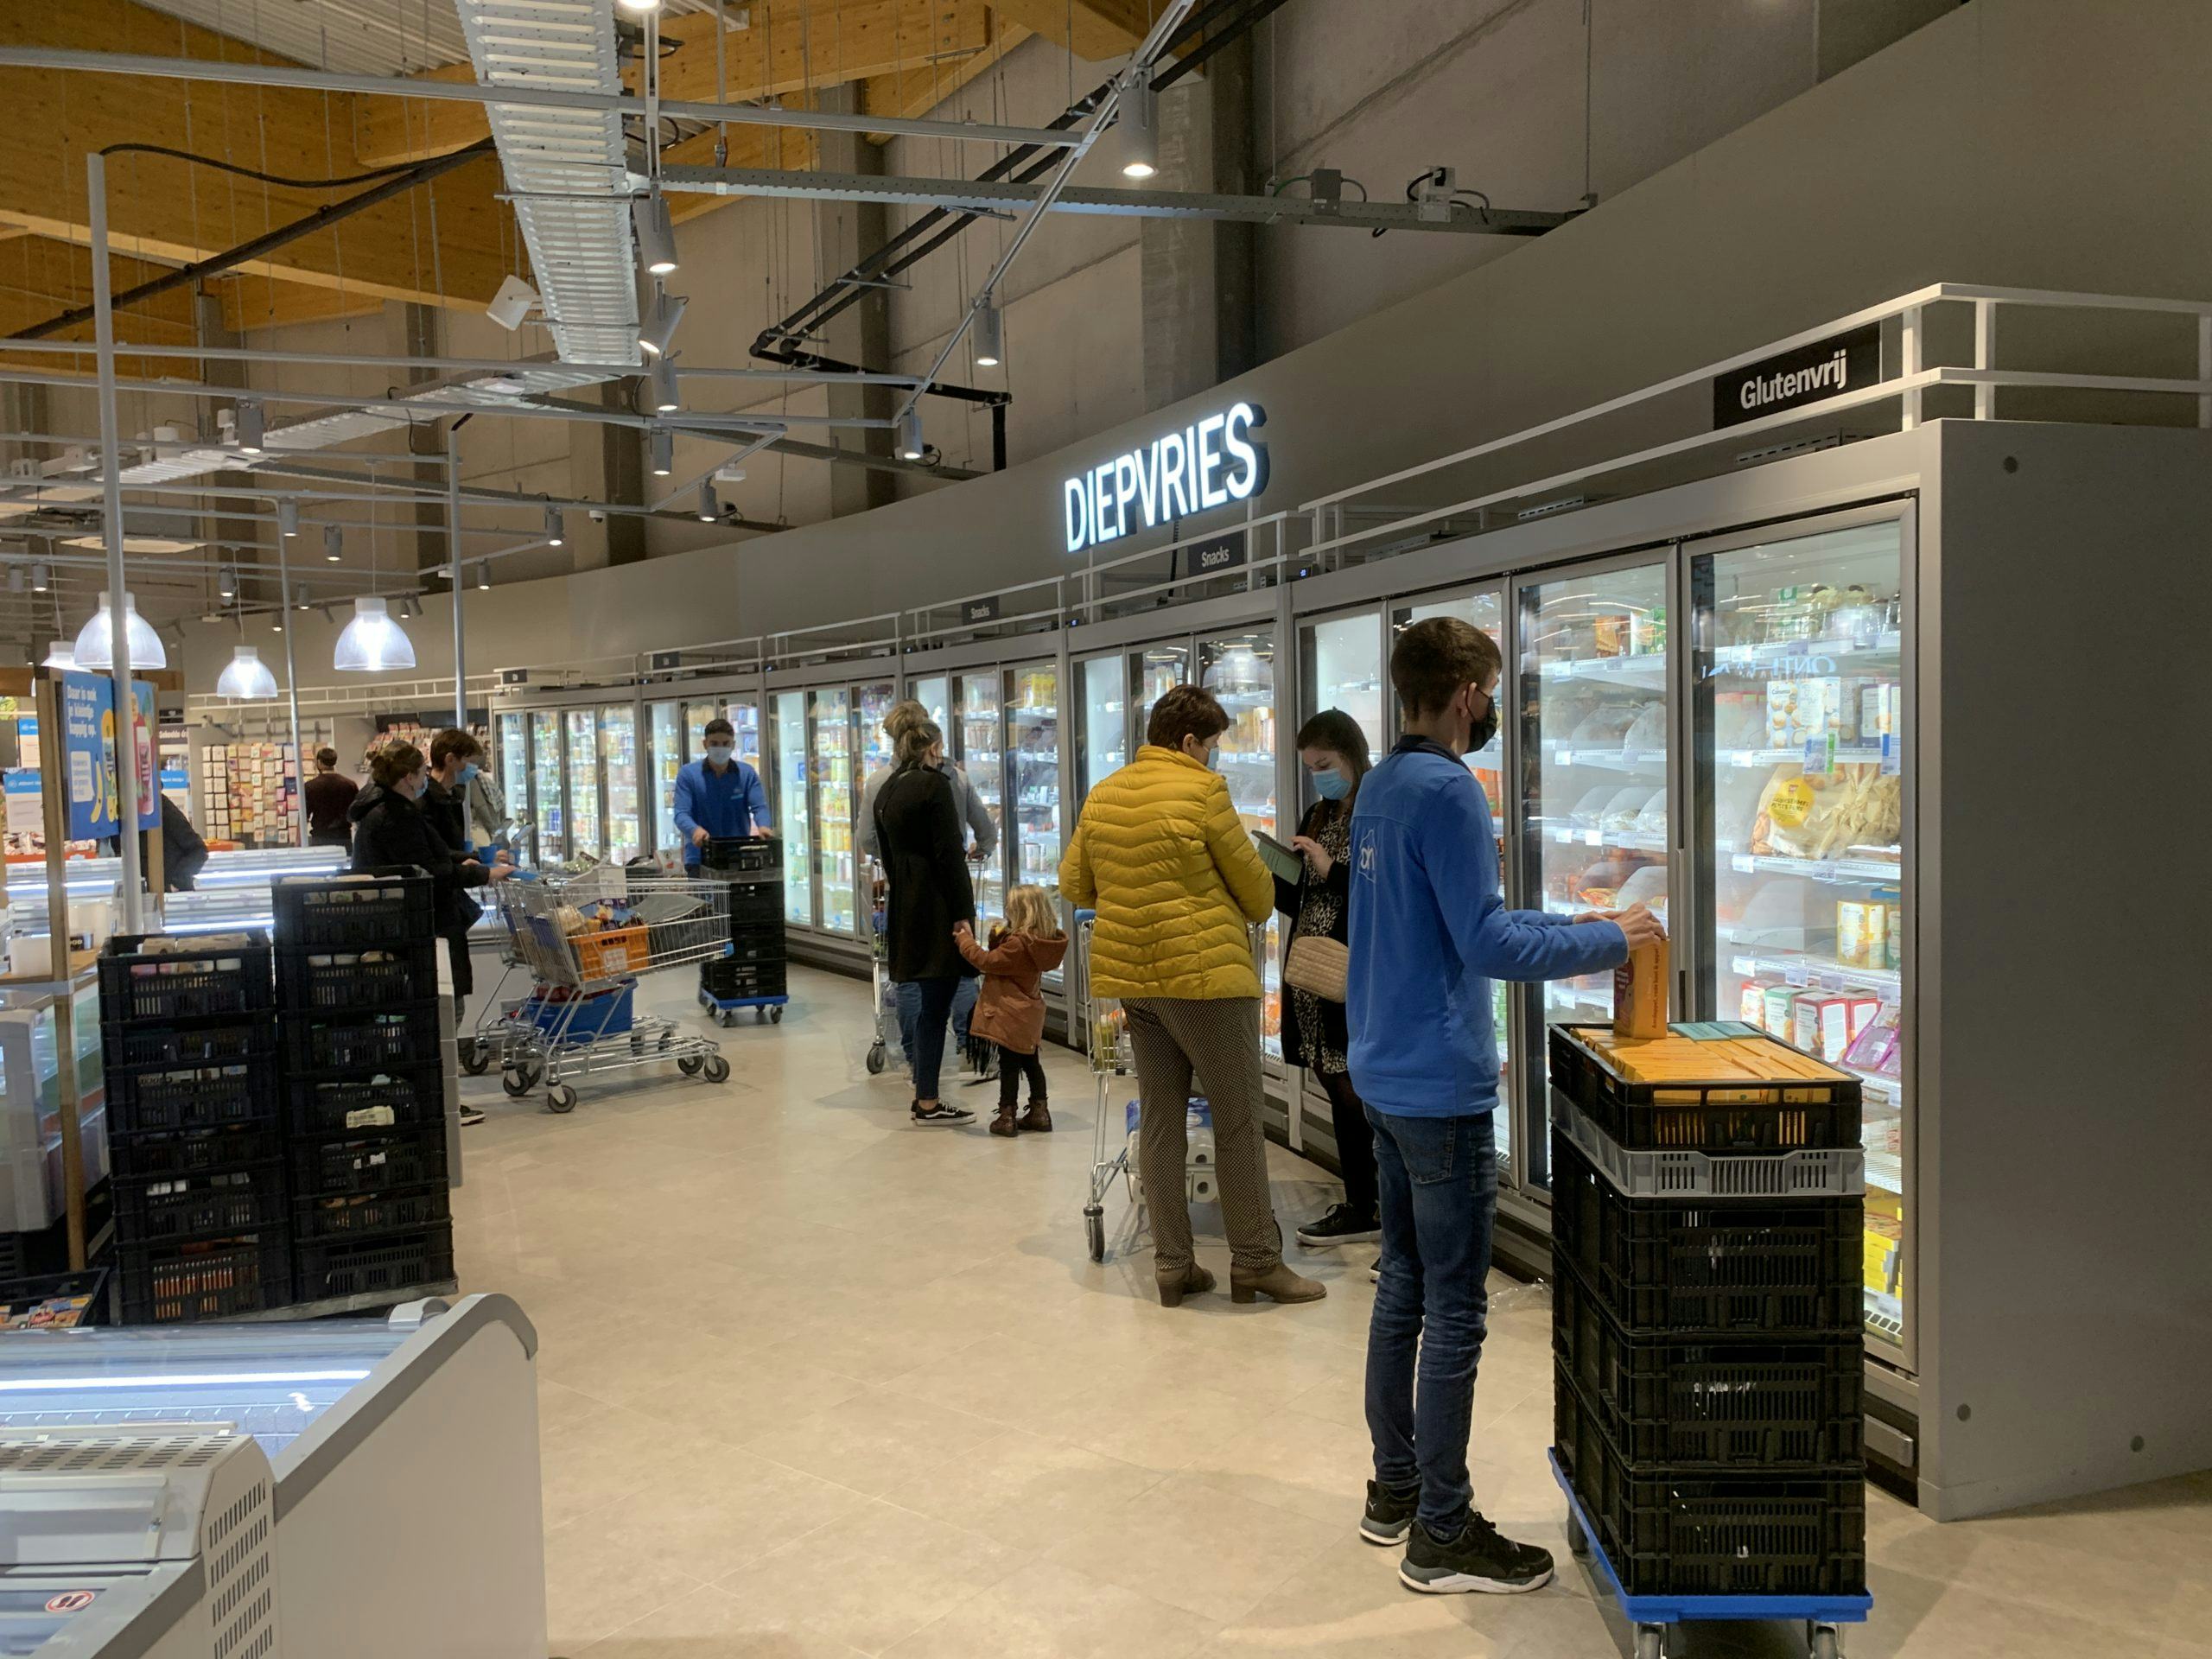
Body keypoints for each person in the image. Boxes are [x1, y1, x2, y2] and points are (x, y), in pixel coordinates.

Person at [1346, 616, 1660, 1595]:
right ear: (1468, 693)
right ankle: (1443, 1531)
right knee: (1456, 1309)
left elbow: (1453, 924)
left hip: (1381, 1071)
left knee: (1402, 1285)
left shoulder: (1381, 784)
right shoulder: (1449, 791)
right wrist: (1612, 940)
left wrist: (1577, 921)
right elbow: (1486, 945)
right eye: (1491, 692)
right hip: (1439, 1086)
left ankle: (1395, 1489)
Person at [1060, 685, 1324, 1310]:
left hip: (1136, 982)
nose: (1213, 757)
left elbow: (1074, 884)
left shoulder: (1105, 793)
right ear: (1187, 743)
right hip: (1206, 982)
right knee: (1237, 1121)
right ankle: (1256, 1261)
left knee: (1159, 1119)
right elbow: (1259, 898)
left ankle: (1173, 1264)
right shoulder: (1204, 793)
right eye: (1211, 745)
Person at [353, 740, 512, 1127]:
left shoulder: (385, 811)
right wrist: (483, 873)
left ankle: (435, 1098)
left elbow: (428, 857)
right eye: (422, 772)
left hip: (409, 925)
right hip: (423, 927)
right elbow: (428, 871)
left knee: (439, 1014)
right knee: (443, 1014)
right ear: (409, 777)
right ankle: (440, 1101)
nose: (426, 777)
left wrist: (466, 860)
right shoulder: (396, 817)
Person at [1274, 709, 1378, 1249]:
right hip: (1310, 975)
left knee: (1351, 1089)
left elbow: (1379, 894)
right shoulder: (1319, 813)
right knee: (1333, 1083)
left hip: (1351, 976)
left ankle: (1368, 1204)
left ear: (1353, 756)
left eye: (1325, 765)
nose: (1319, 776)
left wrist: (1329, 869)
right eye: (1311, 768)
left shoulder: (1373, 812)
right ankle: (1363, 1199)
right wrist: (1277, 871)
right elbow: (1300, 899)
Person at [859, 700, 996, 1074]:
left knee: (910, 976)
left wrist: (901, 860)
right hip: (949, 888)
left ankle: (914, 1054)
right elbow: (984, 830)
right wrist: (980, 849)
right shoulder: (953, 778)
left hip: (906, 891)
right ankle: (972, 1045)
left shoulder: (880, 783)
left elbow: (868, 840)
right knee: (962, 966)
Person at [872, 718, 977, 1125]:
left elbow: (886, 853)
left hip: (905, 902)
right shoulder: (935, 786)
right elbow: (950, 854)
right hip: (937, 903)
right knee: (938, 1002)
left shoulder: (888, 789)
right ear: (934, 748)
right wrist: (962, 914)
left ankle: (926, 1096)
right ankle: (928, 1101)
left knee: (927, 1000)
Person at [953, 884, 1067, 1138]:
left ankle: (1007, 1116)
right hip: (1029, 1011)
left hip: (1009, 1012)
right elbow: (1004, 959)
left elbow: (986, 961)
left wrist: (964, 940)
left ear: (1021, 912)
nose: (1005, 909)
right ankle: (1040, 1111)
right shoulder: (1039, 941)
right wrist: (998, 937)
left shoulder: (1017, 945)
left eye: (1010, 907)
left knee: (1009, 1065)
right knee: (1031, 1062)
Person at [673, 716, 771, 873]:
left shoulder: (746, 774)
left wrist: (764, 826)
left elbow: (759, 807)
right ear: (705, 744)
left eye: (726, 744)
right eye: (714, 744)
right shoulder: (688, 774)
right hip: (700, 857)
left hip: (737, 855)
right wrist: (694, 830)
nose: (720, 748)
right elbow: (681, 814)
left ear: (733, 745)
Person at [303, 747, 358, 849]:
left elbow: (304, 815)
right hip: (343, 837)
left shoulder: (310, 786)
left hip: (320, 837)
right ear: (335, 762)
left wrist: (299, 841)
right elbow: (356, 812)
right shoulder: (350, 785)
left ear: (319, 762)